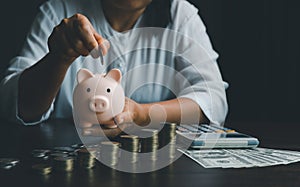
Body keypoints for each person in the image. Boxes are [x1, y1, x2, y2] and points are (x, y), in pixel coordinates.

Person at [0, 0, 228, 131]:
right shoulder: (59, 10)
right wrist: (59, 57)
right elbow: (15, 106)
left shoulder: (180, 14)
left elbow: (213, 100)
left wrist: (141, 113)